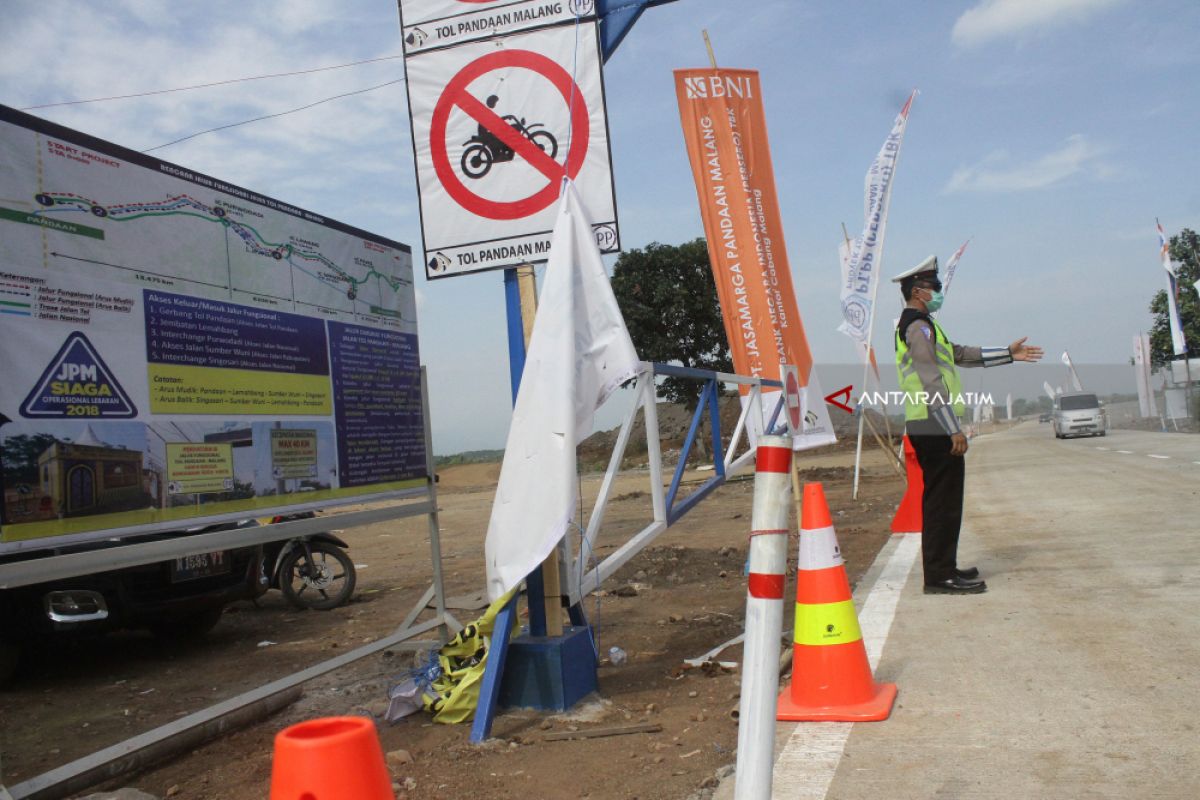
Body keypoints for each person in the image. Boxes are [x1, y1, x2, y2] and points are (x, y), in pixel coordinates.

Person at [892, 255, 1043, 594]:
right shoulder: (917, 326)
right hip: (933, 423)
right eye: (936, 287)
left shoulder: (925, 326)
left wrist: (1007, 353)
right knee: (941, 504)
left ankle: (944, 568)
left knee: (944, 502)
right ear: (918, 291)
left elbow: (958, 353)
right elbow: (930, 381)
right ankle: (939, 577)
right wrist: (952, 429)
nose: (940, 292)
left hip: (930, 422)